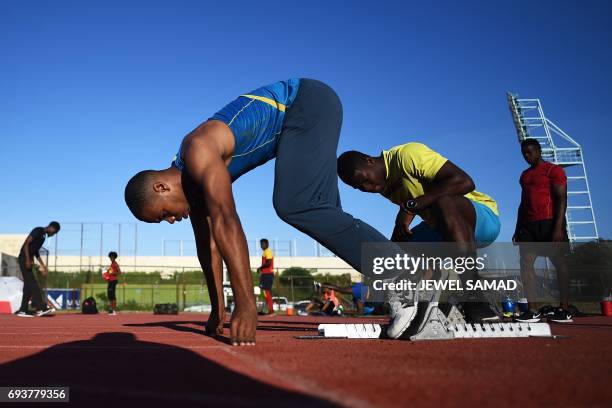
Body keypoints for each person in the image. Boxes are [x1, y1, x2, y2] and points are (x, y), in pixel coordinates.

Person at [125, 79, 398, 345]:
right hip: (299, 121)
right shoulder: (194, 188)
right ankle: (410, 274)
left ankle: (406, 278)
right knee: (318, 212)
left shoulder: (197, 150)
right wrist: (218, 307)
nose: (172, 220)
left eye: (163, 215)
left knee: (298, 204)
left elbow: (226, 220)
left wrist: (245, 304)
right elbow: (208, 246)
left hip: (307, 102)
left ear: (161, 187)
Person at [337, 142, 502, 323]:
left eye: (365, 180)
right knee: (394, 250)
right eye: (359, 187)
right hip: (442, 229)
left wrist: (411, 206)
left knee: (444, 202)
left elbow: (464, 181)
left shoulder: (407, 155)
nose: (368, 188)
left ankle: (475, 298)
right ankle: (437, 302)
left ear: (369, 161)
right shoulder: (384, 184)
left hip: (481, 220)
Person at [513, 138, 572, 323]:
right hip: (529, 226)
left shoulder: (553, 170)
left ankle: (565, 309)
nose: (526, 156)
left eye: (530, 152)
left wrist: (557, 227)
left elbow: (562, 199)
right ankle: (533, 310)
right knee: (526, 262)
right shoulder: (524, 176)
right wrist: (517, 228)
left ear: (538, 151)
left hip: (550, 223)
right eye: (524, 153)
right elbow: (523, 203)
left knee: (559, 264)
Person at [15, 222, 60, 317]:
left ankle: (23, 310)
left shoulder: (43, 236)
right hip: (24, 259)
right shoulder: (38, 230)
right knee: (33, 284)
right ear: (51, 228)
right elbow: (26, 244)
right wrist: (27, 259)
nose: (53, 235)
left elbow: (35, 251)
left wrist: (43, 265)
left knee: (28, 287)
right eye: (54, 232)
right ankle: (41, 308)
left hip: (28, 260)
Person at [256, 239, 274, 315]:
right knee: (265, 291)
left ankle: (271, 310)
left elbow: (269, 262)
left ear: (267, 244)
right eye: (261, 244)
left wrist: (260, 268)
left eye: (263, 244)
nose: (261, 246)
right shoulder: (265, 252)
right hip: (265, 274)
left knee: (266, 291)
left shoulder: (268, 251)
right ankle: (268, 309)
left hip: (268, 274)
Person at [104, 251, 121, 315]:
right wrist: (107, 274)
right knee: (109, 295)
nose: (111, 258)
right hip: (110, 281)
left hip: (114, 281)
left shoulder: (115, 263)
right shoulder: (111, 264)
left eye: (112, 257)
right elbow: (110, 272)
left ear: (114, 257)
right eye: (110, 257)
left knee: (112, 295)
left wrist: (112, 273)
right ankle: (111, 310)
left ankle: (114, 311)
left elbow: (119, 272)